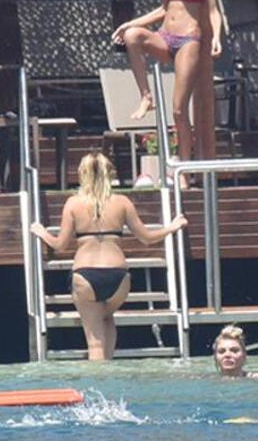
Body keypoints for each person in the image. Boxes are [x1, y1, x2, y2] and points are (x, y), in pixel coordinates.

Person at [30, 151, 187, 361]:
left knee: (95, 343)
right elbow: (147, 238)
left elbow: (60, 245)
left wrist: (42, 233)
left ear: (82, 174)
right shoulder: (122, 202)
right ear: (109, 174)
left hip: (86, 276)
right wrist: (172, 227)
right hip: (118, 277)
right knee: (107, 318)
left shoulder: (73, 203)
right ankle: (110, 373)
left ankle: (99, 381)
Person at [111, 0, 222, 187]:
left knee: (179, 110)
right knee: (132, 36)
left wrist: (216, 37)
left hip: (188, 40)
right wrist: (130, 23)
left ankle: (183, 170)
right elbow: (163, 9)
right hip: (165, 35)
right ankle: (145, 96)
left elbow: (212, 9)